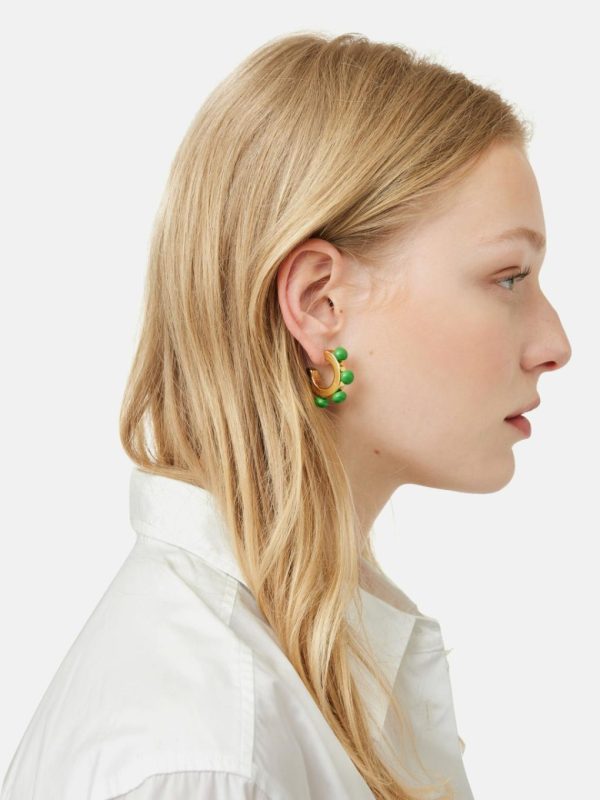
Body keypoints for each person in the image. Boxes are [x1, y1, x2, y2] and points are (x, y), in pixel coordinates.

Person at [0, 30, 571, 800]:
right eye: (508, 277)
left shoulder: (307, 664)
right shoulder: (206, 755)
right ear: (319, 302)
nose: (554, 344)